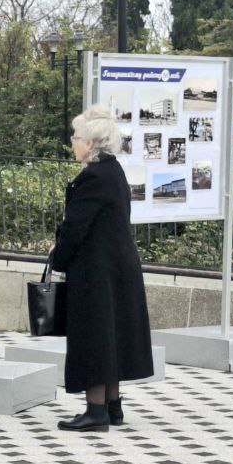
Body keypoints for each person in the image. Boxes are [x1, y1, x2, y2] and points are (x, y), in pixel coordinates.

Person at [51, 106, 154, 432]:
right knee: (110, 334)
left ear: (92, 143)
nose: (72, 142)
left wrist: (58, 258)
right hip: (117, 266)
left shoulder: (94, 177)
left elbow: (75, 227)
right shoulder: (113, 171)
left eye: (76, 137)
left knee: (94, 335)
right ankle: (112, 406)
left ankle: (96, 410)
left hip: (97, 269)